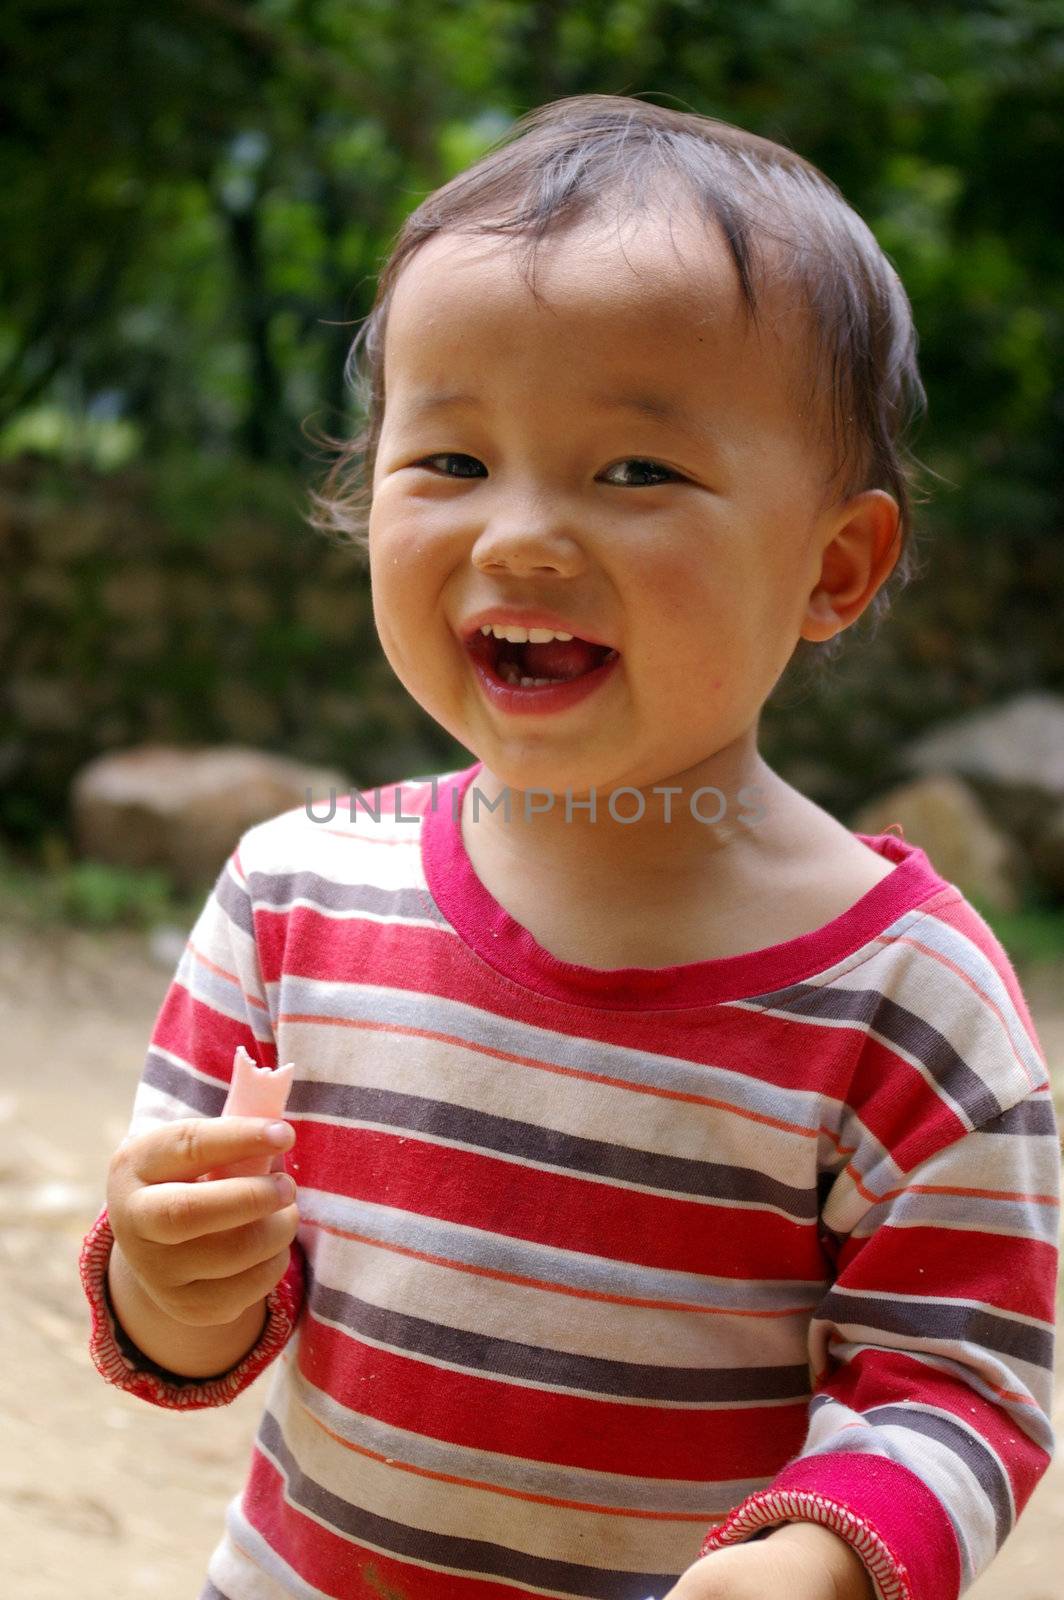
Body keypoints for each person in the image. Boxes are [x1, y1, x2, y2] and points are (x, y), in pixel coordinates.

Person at [79, 94, 1059, 1600]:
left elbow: (964, 1387)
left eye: (636, 474)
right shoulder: (293, 894)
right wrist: (167, 1278)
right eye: (453, 464)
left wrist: (821, 1556)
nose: (520, 539)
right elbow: (208, 1319)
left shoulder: (909, 1002)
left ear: (834, 566)